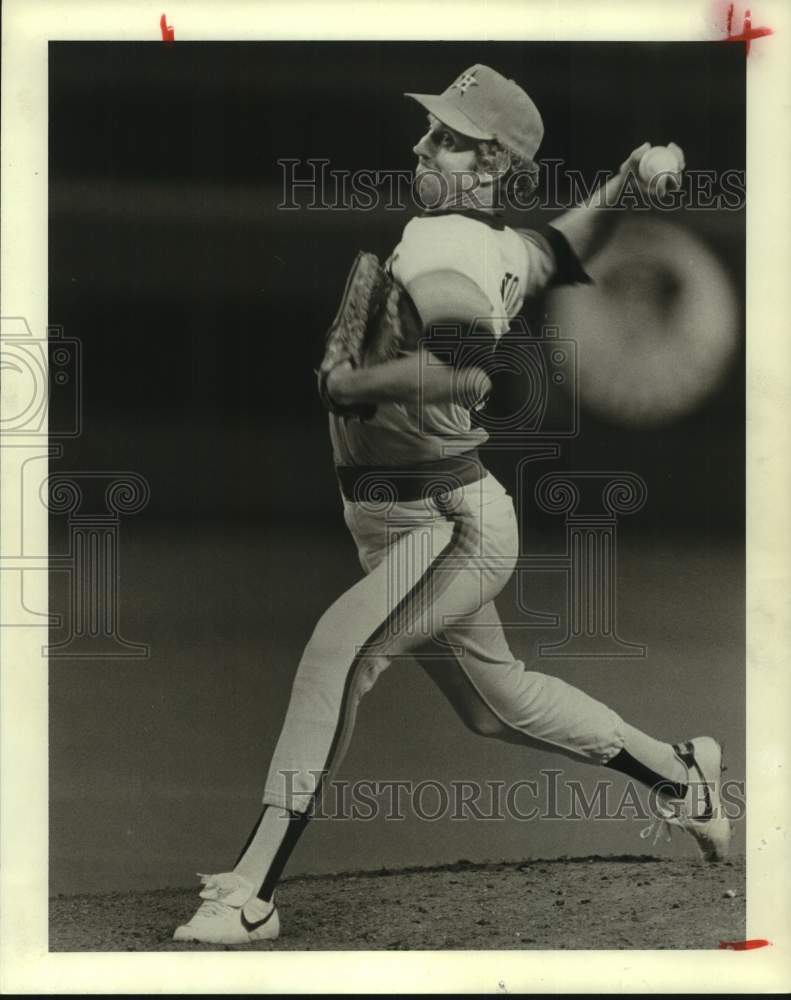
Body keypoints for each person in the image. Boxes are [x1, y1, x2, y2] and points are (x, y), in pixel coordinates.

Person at [173, 64, 730, 946]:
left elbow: (462, 364)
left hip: (447, 526)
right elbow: (561, 248)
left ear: (491, 164)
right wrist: (624, 178)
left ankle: (250, 892)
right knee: (492, 703)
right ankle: (679, 774)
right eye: (430, 129)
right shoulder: (489, 242)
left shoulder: (445, 247)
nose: (421, 145)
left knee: (336, 654)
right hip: (408, 519)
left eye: (446, 137)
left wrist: (363, 379)